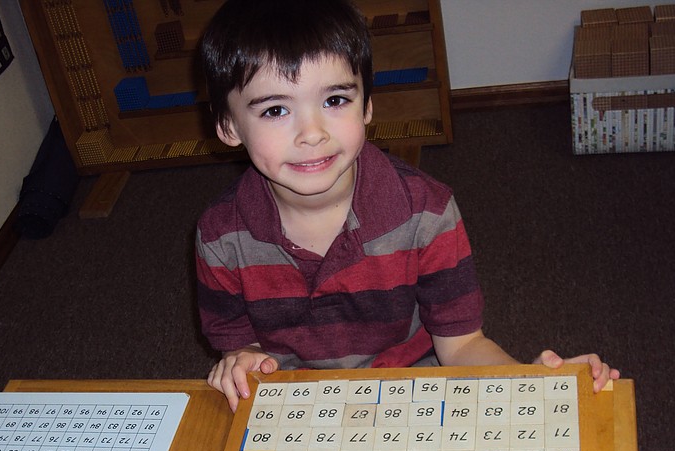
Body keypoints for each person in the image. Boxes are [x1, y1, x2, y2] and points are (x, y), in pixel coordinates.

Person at [196, 0, 618, 412]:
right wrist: (242, 358)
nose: (312, 132)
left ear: (368, 105)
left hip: (413, 392)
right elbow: (237, 342)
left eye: (335, 101)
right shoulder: (218, 236)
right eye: (275, 109)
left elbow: (462, 344)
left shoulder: (428, 211)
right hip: (297, 401)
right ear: (229, 127)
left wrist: (537, 387)